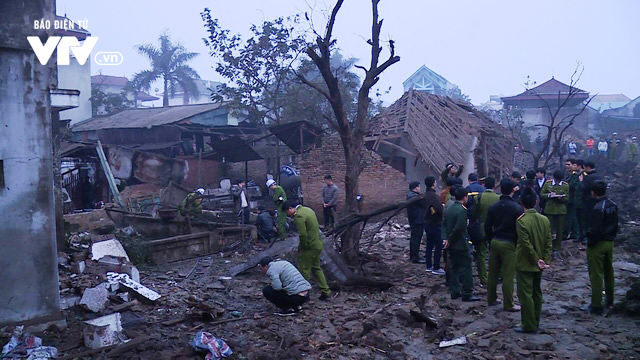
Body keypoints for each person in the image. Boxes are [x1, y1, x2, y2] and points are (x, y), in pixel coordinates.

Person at [514, 188, 552, 333]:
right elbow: (549, 242)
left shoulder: (522, 221)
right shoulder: (545, 219)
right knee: (537, 292)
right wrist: (544, 260)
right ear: (536, 202)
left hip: (525, 263)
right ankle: (535, 321)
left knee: (525, 295)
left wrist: (536, 259)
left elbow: (526, 244)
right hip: (540, 264)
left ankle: (528, 325)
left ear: (521, 202)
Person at [485, 178, 524, 311]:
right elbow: (520, 229)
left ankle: (491, 298)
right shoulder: (517, 208)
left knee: (492, 273)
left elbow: (487, 226)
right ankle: (509, 304)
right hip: (509, 243)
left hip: (495, 241)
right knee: (508, 275)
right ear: (513, 190)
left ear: (500, 189)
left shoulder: (493, 207)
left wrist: (490, 240)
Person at [282, 200, 332, 301]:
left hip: (309, 247)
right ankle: (326, 291)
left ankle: (304, 294)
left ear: (290, 209)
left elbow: (303, 235)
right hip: (318, 244)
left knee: (304, 270)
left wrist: (302, 247)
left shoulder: (299, 216)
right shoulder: (308, 210)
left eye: (287, 212)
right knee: (316, 268)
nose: (287, 215)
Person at [582, 180, 618, 315]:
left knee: (596, 274)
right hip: (610, 242)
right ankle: (610, 300)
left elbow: (596, 230)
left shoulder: (598, 208)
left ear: (593, 192)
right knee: (609, 272)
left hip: (598, 244)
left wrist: (590, 241)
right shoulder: (613, 204)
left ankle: (596, 304)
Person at [442, 188, 480, 302]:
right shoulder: (462, 210)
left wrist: (445, 239)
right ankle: (467, 292)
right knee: (466, 268)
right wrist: (450, 239)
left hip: (450, 245)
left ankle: (455, 291)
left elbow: (444, 225)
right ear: (464, 197)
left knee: (454, 267)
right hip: (460, 244)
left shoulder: (449, 208)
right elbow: (458, 228)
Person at [471, 176, 500, 286]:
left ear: (484, 185)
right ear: (493, 186)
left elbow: (474, 215)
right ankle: (497, 276)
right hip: (495, 230)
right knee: (496, 254)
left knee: (481, 255)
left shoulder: (478, 198)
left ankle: (483, 278)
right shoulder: (498, 198)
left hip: (481, 230)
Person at [541, 170, 569, 251]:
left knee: (559, 229)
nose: (557, 182)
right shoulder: (548, 183)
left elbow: (567, 198)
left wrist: (561, 198)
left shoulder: (565, 185)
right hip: (549, 209)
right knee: (548, 228)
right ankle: (548, 245)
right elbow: (542, 194)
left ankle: (557, 246)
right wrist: (549, 195)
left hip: (560, 210)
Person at [424, 176, 444, 275]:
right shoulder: (434, 196)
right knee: (438, 245)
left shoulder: (425, 195)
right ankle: (436, 267)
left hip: (427, 223)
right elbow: (440, 209)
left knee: (429, 245)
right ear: (433, 184)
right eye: (435, 182)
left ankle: (428, 266)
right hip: (435, 223)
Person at [581, 161, 601, 244]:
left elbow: (584, 189)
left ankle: (587, 236)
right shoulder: (599, 176)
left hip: (589, 201)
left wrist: (581, 181)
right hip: (598, 200)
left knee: (588, 219)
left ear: (588, 167)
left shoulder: (589, 178)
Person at [407, 181, 427, 264]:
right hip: (417, 220)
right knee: (416, 239)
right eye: (419, 187)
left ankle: (414, 256)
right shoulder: (414, 196)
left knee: (414, 238)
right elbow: (423, 202)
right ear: (415, 188)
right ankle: (415, 257)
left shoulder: (411, 195)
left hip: (415, 220)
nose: (420, 189)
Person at [564, 160, 580, 241]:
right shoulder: (567, 175)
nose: (567, 166)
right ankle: (572, 234)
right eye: (566, 164)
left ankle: (575, 234)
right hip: (567, 199)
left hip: (573, 199)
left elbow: (572, 186)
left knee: (573, 218)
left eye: (568, 164)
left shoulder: (575, 176)